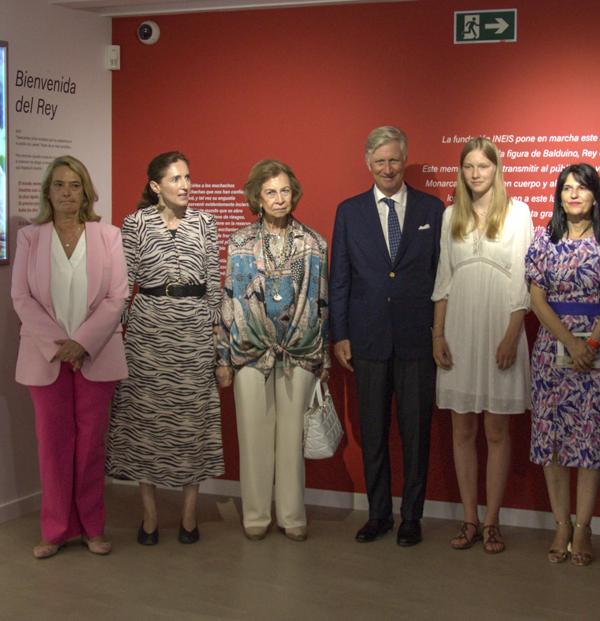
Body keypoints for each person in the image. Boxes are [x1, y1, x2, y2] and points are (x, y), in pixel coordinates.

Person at [330, 126, 443, 546]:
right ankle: (378, 515)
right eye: (380, 161)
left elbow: (440, 277)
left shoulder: (432, 209)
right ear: (368, 164)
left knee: (417, 434)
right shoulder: (349, 211)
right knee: (372, 434)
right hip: (367, 340)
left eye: (395, 159)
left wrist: (439, 333)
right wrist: (339, 334)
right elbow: (338, 278)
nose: (388, 168)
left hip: (417, 340)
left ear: (404, 159)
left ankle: (411, 517)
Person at [11, 155, 128, 558]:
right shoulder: (29, 238)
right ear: (48, 191)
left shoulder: (107, 236)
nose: (66, 192)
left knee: (91, 446)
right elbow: (21, 298)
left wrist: (83, 343)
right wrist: (61, 345)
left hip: (96, 355)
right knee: (53, 445)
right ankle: (56, 529)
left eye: (74, 185)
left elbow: (117, 297)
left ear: (86, 191)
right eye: (59, 185)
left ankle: (92, 527)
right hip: (46, 358)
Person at [106, 151, 224, 545]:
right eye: (176, 179)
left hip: (192, 334)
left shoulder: (206, 223)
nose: (186, 184)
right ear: (156, 186)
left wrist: (213, 339)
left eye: (188, 176)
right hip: (148, 333)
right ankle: (151, 517)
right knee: (146, 422)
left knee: (192, 420)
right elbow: (123, 289)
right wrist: (114, 338)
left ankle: (189, 517)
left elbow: (214, 287)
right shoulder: (135, 224)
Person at [216, 159, 329, 542]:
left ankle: (293, 516)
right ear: (257, 198)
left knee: (291, 438)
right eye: (270, 192)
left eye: (284, 190)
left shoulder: (313, 242)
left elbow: (321, 300)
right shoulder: (239, 242)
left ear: (293, 193)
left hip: (299, 350)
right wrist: (223, 357)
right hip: (250, 350)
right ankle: (256, 514)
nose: (279, 199)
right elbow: (229, 298)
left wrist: (323, 355)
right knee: (253, 437)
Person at [431, 137, 533, 554]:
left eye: (483, 166)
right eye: (469, 166)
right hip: (459, 328)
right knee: (462, 429)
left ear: (496, 169)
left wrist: (511, 334)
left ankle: (492, 521)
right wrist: (438, 333)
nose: (476, 173)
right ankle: (469, 520)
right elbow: (444, 280)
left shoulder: (518, 213)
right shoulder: (450, 215)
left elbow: (522, 279)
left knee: (496, 429)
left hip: (499, 326)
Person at [525, 163, 600, 566]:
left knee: (591, 439)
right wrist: (569, 342)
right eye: (567, 188)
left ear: (595, 194)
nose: (574, 194)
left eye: (581, 188)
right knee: (553, 440)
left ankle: (583, 528)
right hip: (552, 349)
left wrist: (592, 342)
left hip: (599, 351)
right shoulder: (543, 240)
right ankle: (560, 524)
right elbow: (536, 299)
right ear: (559, 195)